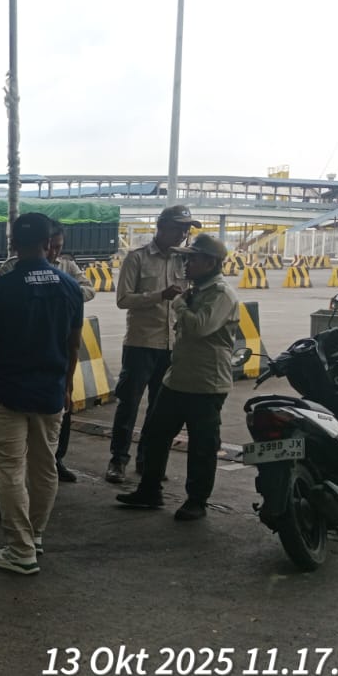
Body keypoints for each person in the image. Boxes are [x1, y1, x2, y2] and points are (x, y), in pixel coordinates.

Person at [0, 212, 84, 575]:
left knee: (11, 472)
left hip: (7, 393)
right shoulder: (70, 287)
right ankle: (36, 535)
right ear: (48, 244)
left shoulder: (2, 288)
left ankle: (20, 550)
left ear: (14, 244)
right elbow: (73, 345)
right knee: (45, 468)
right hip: (50, 393)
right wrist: (66, 386)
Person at [116, 234, 239, 522]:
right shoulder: (195, 291)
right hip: (178, 378)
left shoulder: (221, 294)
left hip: (207, 382)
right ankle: (149, 490)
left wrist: (179, 304)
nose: (186, 264)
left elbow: (199, 327)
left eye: (192, 259)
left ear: (210, 263)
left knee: (202, 446)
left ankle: (196, 501)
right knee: (156, 436)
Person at [105, 204, 200, 484]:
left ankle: (146, 460)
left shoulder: (186, 260)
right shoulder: (137, 258)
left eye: (186, 229)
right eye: (179, 228)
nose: (183, 234)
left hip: (172, 346)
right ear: (162, 227)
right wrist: (159, 295)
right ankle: (118, 460)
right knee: (129, 405)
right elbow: (123, 300)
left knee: (159, 410)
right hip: (141, 343)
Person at [1, 220, 96, 482]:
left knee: (62, 404)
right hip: (23, 346)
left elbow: (89, 289)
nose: (53, 252)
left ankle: (56, 458)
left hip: (58, 344)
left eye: (58, 247)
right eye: (50, 246)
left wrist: (62, 294)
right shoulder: (12, 266)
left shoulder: (68, 268)